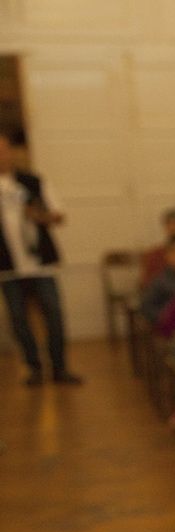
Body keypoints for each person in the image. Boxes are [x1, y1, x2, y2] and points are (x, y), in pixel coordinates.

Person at [0, 131, 81, 385]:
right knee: (18, 318)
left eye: (4, 149)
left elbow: (58, 216)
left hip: (39, 262)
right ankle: (33, 367)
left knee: (53, 313)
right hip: (7, 265)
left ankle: (59, 367)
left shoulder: (32, 181)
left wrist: (38, 216)